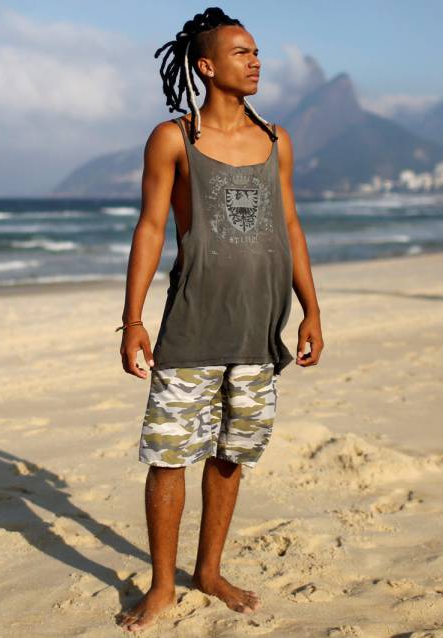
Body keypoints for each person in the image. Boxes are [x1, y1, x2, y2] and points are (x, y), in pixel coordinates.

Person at [116, 8, 324, 632]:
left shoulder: (277, 139)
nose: (255, 61)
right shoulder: (173, 138)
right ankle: (162, 584)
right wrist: (132, 321)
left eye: (256, 52)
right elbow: (150, 228)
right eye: (242, 53)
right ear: (206, 66)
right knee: (169, 455)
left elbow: (290, 225)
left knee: (232, 453)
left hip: (260, 326)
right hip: (193, 324)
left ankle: (208, 571)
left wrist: (312, 309)